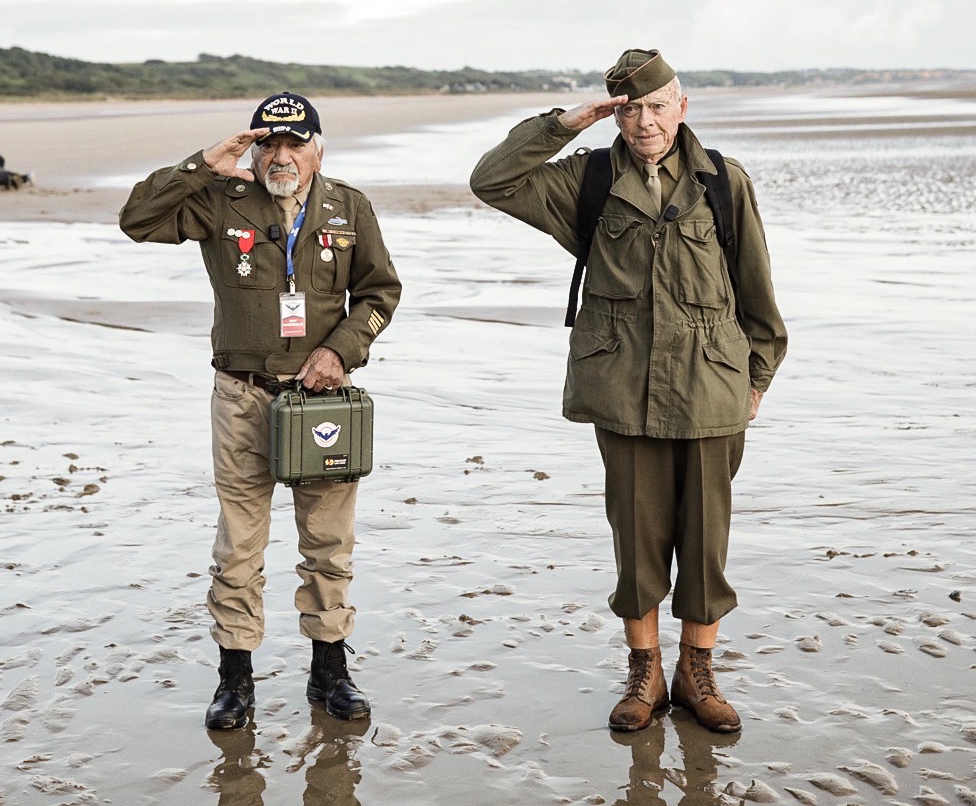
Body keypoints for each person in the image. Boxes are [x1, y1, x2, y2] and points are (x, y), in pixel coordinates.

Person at [469, 48, 788, 734]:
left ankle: (696, 672)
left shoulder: (724, 184)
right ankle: (644, 672)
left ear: (682, 106)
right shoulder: (584, 183)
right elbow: (491, 180)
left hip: (711, 391)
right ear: (615, 113)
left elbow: (759, 297)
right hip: (623, 393)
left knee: (706, 542)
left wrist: (757, 380)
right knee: (637, 540)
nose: (645, 122)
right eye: (630, 108)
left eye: (657, 106)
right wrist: (564, 123)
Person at [118, 92, 402, 730]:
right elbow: (136, 220)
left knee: (329, 541)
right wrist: (202, 163)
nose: (280, 155)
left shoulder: (348, 207)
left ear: (317, 148)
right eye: (267, 142)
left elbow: (381, 291)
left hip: (321, 399)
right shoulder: (221, 198)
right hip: (242, 396)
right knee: (240, 543)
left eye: (294, 143)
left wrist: (340, 351)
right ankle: (235, 679)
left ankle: (330, 671)